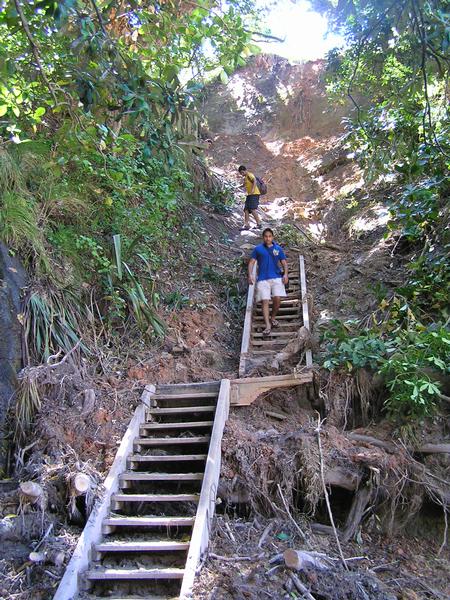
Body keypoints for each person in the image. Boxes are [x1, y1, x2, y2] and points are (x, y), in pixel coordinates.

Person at [248, 228, 288, 336]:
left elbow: (284, 262)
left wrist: (285, 274)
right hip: (262, 278)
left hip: (276, 277)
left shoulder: (278, 249)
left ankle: (273, 317)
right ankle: (267, 325)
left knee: (277, 298)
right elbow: (251, 262)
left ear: (273, 237)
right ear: (263, 237)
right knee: (265, 300)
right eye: (266, 236)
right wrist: (250, 275)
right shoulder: (258, 249)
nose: (268, 238)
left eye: (270, 236)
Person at [238, 165, 262, 230]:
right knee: (246, 209)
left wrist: (253, 190)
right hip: (250, 195)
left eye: (242, 172)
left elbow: (254, 181)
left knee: (252, 209)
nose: (242, 174)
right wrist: (238, 186)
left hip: (254, 194)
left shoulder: (249, 174)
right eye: (241, 173)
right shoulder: (246, 177)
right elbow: (244, 184)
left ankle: (259, 224)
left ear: (245, 170)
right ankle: (246, 225)